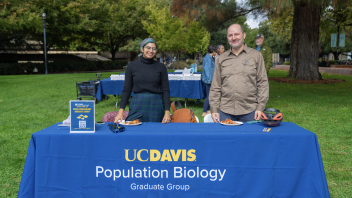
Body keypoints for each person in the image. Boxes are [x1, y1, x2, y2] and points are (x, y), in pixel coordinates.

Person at [209, 24, 269, 122]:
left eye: (237, 34)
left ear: (244, 35)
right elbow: (216, 86)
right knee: (227, 138)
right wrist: (214, 108)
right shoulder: (221, 58)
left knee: (250, 138)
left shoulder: (256, 56)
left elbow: (263, 83)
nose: (233, 38)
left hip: (250, 112)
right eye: (230, 35)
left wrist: (260, 106)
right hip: (226, 111)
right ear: (227, 37)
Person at [114, 38, 171, 123]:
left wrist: (167, 112)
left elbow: (166, 91)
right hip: (137, 104)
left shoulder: (161, 67)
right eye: (148, 47)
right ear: (142, 49)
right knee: (133, 131)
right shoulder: (131, 66)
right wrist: (120, 112)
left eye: (154, 48)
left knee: (155, 132)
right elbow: (126, 90)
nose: (151, 50)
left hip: (156, 105)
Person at [202, 45, 217, 116]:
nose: (216, 53)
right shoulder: (208, 58)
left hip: (210, 79)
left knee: (209, 95)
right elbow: (207, 70)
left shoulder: (211, 58)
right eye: (215, 52)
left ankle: (208, 110)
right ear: (213, 51)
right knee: (209, 96)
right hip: (208, 80)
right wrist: (209, 80)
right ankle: (204, 111)